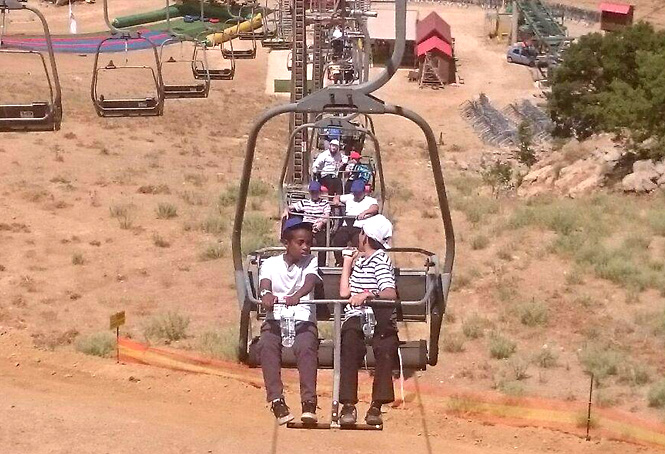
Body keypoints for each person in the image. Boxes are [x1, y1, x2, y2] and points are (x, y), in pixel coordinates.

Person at [257, 217, 321, 425]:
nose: (305, 247)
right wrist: (266, 295)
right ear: (287, 243)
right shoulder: (270, 263)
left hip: (301, 317)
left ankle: (309, 402)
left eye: (308, 243)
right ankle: (276, 400)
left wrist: (297, 296)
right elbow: (265, 283)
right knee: (266, 344)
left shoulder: (310, 261)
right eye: (300, 243)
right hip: (276, 319)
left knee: (306, 347)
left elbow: (310, 281)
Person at [338, 215, 397, 427]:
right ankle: (348, 404)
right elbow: (345, 293)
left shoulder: (380, 260)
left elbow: (389, 293)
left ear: (365, 237)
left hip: (377, 316)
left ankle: (376, 405)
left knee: (385, 347)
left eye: (360, 233)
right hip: (356, 316)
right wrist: (347, 263)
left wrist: (368, 296)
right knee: (349, 341)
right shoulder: (361, 260)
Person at [283, 181, 331, 266]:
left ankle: (321, 264)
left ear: (319, 192)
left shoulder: (324, 203)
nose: (314, 194)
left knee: (322, 241)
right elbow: (290, 207)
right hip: (306, 225)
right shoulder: (304, 202)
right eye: (312, 192)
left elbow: (327, 216)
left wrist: (321, 223)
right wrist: (286, 211)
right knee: (304, 240)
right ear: (309, 192)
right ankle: (305, 262)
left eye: (316, 192)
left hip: (319, 224)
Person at [332, 179, 378, 266]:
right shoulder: (350, 197)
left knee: (359, 242)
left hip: (360, 226)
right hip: (347, 225)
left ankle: (360, 263)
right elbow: (337, 196)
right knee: (337, 240)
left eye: (358, 192)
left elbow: (375, 207)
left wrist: (365, 213)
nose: (356, 195)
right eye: (355, 192)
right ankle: (339, 262)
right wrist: (336, 200)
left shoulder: (370, 200)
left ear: (364, 192)